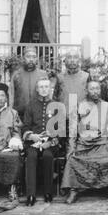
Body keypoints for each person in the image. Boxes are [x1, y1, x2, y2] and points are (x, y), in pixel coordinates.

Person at [61, 78, 108, 204]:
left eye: (97, 88)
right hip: (83, 144)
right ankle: (74, 189)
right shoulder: (79, 106)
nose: (95, 91)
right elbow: (73, 131)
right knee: (73, 159)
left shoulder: (107, 106)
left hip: (102, 143)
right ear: (86, 91)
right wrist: (71, 148)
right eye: (92, 88)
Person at [22, 77, 61, 206]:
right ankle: (31, 194)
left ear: (50, 89)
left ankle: (48, 192)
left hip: (50, 143)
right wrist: (31, 136)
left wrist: (50, 142)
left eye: (46, 87)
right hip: (34, 141)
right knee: (31, 157)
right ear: (37, 89)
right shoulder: (31, 105)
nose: (44, 89)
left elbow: (60, 129)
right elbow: (26, 126)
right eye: (41, 87)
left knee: (47, 156)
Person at [10, 48, 47, 120]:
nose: (31, 59)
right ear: (23, 58)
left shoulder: (43, 74)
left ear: (37, 59)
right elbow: (11, 94)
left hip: (38, 114)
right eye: (28, 56)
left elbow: (47, 94)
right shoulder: (16, 74)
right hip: (20, 114)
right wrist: (11, 112)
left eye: (34, 57)